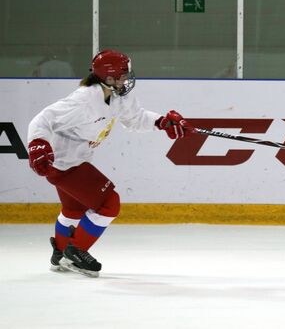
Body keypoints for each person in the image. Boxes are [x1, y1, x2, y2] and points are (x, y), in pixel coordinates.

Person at [27, 49, 194, 277]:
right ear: (108, 78)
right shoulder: (85, 99)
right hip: (65, 164)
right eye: (123, 74)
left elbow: (135, 118)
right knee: (109, 203)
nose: (127, 79)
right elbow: (43, 119)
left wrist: (161, 122)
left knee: (73, 209)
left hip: (76, 160)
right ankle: (75, 252)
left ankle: (60, 252)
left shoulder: (117, 96)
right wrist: (37, 143)